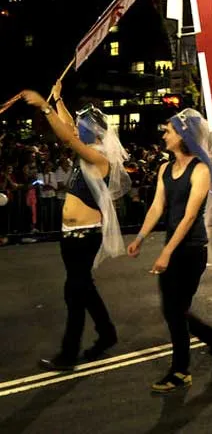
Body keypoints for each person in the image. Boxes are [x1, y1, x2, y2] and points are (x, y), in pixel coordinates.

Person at [22, 89, 130, 371]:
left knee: (74, 293)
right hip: (71, 237)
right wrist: (59, 99)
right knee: (84, 289)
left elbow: (68, 137)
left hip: (85, 236)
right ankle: (107, 333)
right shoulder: (87, 153)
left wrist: (45, 107)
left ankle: (68, 354)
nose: (77, 129)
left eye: (83, 126)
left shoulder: (99, 159)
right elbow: (70, 128)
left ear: (95, 132)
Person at [127, 108, 212, 393]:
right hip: (173, 245)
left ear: (183, 135)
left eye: (168, 131)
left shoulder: (201, 170)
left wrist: (167, 252)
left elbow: (190, 216)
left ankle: (181, 370)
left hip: (192, 249)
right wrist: (141, 237)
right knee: (174, 310)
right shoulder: (165, 168)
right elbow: (157, 206)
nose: (164, 135)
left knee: (175, 310)